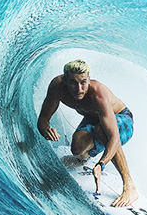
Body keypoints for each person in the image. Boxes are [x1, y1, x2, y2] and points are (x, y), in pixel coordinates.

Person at [37, 60, 139, 207]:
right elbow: (43, 119)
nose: (79, 88)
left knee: (101, 131)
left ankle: (130, 186)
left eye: (83, 82)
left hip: (122, 119)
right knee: (77, 148)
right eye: (73, 83)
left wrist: (101, 164)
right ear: (65, 80)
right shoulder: (57, 87)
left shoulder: (98, 94)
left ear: (89, 80)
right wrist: (46, 129)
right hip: (94, 119)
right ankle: (82, 160)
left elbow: (114, 136)